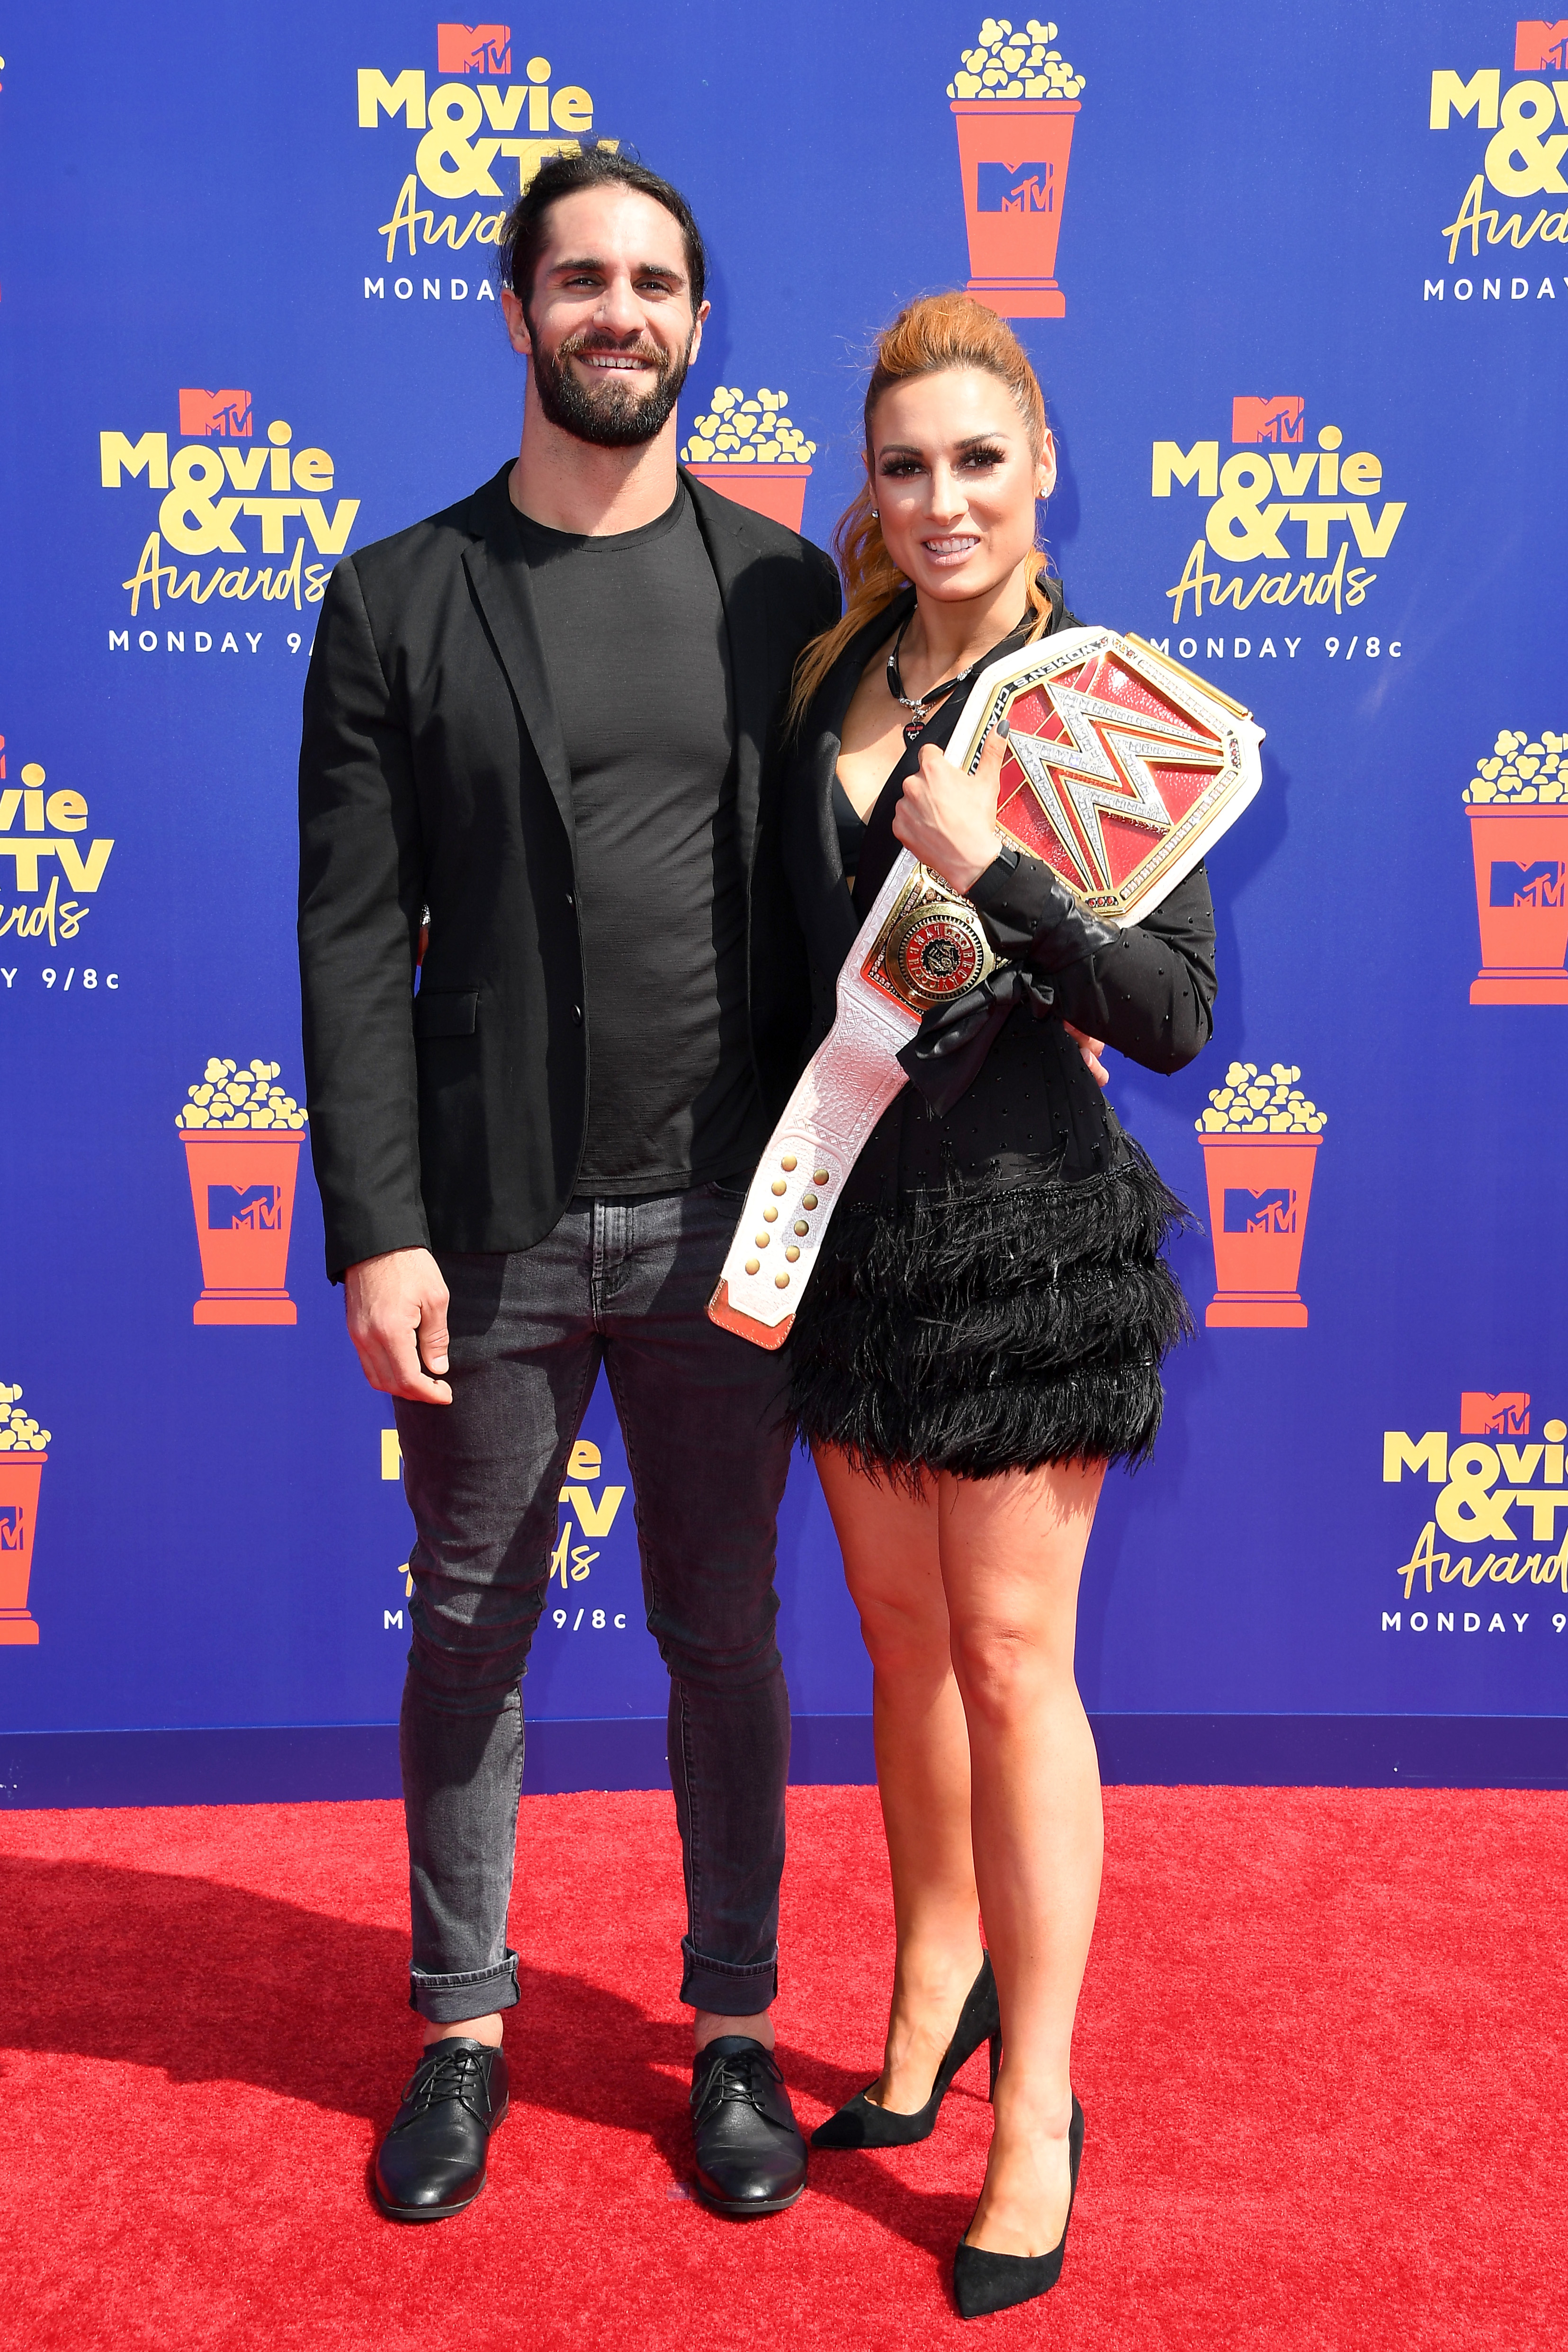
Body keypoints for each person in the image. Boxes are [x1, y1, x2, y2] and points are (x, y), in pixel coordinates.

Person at [297, 150, 839, 2225]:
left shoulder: (785, 592)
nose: (621, 312)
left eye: (658, 284)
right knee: (468, 1628)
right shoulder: (394, 599)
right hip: (492, 1224)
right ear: (516, 312)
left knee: (729, 1633)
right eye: (582, 279)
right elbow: (352, 942)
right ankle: (458, 2029)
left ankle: (727, 2035)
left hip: (733, 1222)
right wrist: (377, 1221)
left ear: (701, 326)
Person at [778, 294, 1217, 2320]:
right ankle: (932, 1970)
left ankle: (1037, 2104)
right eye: (906, 466)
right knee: (895, 1644)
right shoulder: (834, 672)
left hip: (1030, 1238)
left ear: (1043, 470)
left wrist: (1009, 876)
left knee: (1014, 1661)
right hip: (852, 1240)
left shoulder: (1105, 704)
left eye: (977, 459)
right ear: (867, 489)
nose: (941, 498)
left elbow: (1179, 1016)